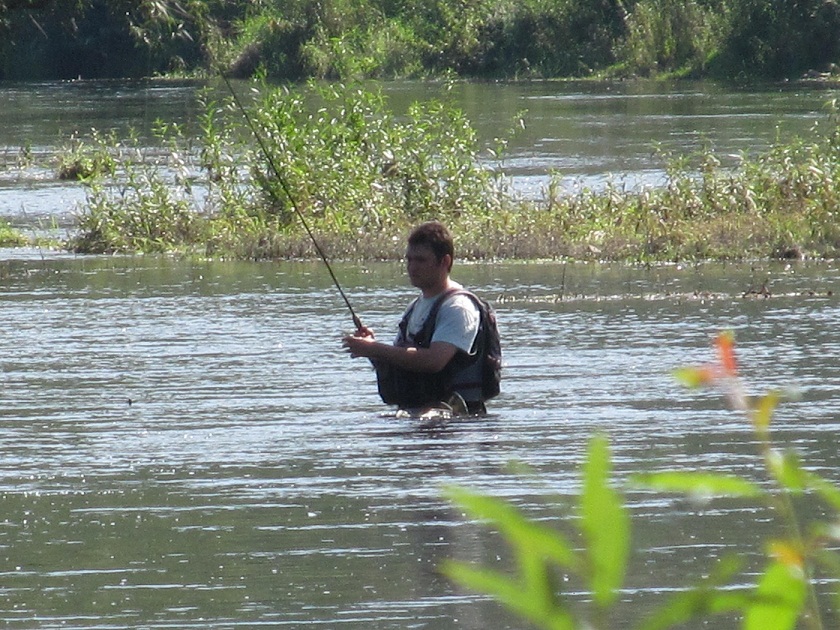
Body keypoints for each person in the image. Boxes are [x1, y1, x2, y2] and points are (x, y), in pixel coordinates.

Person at [342, 221, 489, 415]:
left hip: (457, 423)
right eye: (409, 260)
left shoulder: (458, 307)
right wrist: (372, 351)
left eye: (420, 260)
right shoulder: (415, 307)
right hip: (417, 417)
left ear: (445, 262)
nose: (412, 267)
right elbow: (402, 362)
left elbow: (434, 361)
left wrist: (375, 348)